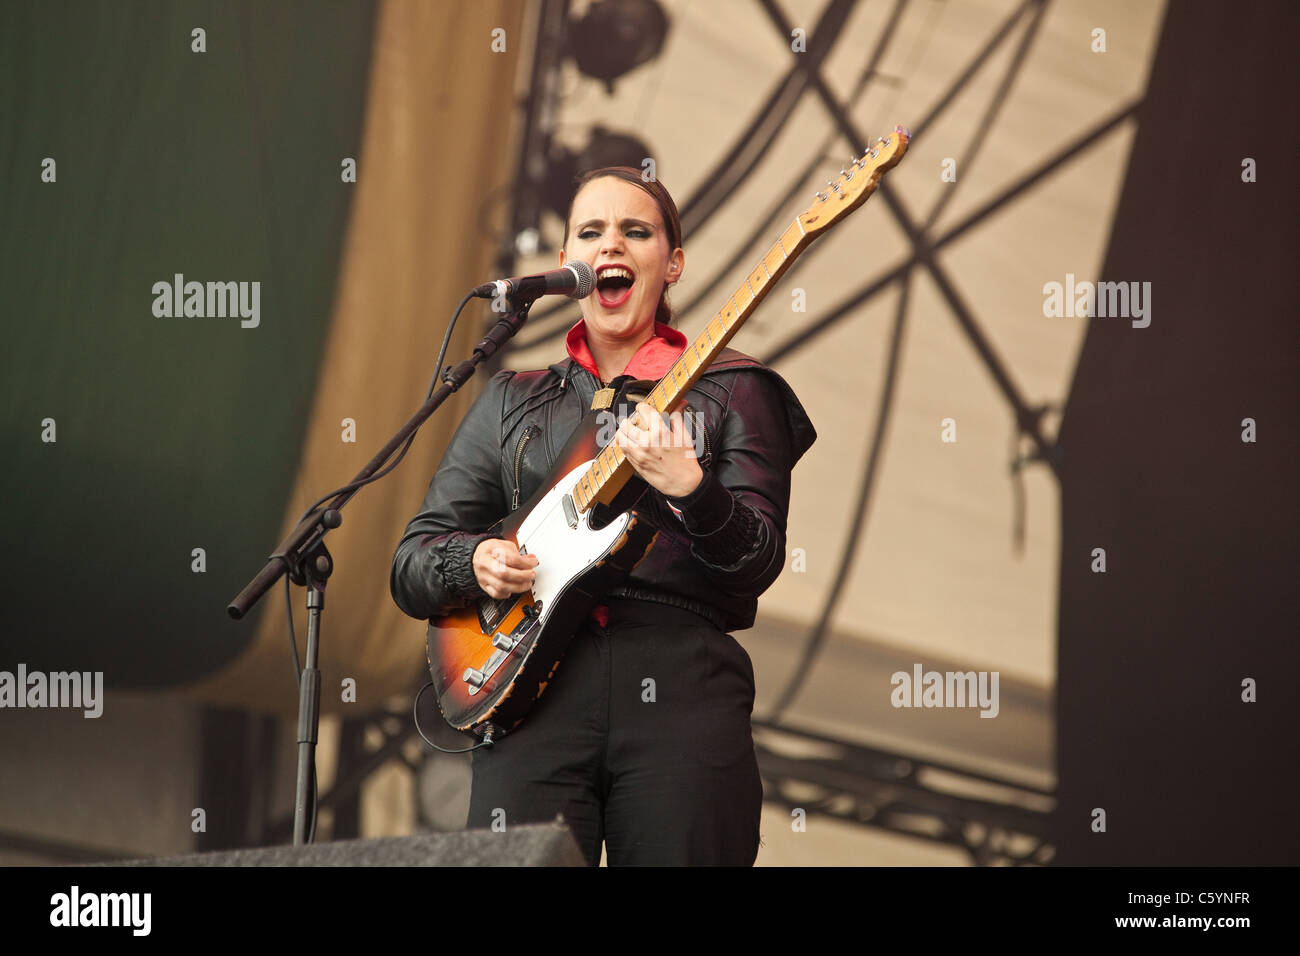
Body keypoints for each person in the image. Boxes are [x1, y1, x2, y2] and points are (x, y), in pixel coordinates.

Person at [390, 166, 816, 866]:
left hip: (681, 689)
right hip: (527, 691)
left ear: (671, 263)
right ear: (567, 266)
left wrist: (693, 488)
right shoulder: (510, 399)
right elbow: (413, 563)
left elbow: (757, 563)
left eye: (636, 231)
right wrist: (475, 561)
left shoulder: (735, 389)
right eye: (591, 232)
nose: (611, 244)